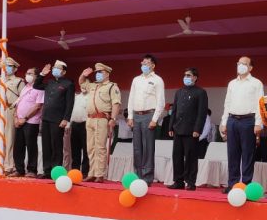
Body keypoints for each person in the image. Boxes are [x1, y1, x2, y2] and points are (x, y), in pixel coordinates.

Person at [220, 56, 264, 193]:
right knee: (232, 153)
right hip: (232, 120)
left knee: (248, 154)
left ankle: (245, 184)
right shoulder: (232, 83)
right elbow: (227, 103)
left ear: (250, 68)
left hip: (248, 120)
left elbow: (260, 104)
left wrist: (258, 123)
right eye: (239, 63)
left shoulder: (256, 83)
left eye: (244, 64)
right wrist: (224, 122)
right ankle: (232, 183)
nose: (240, 66)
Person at [127, 54, 166, 185]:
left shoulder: (158, 80)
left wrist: (155, 119)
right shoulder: (136, 79)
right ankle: (137, 175)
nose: (143, 65)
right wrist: (130, 116)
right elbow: (131, 98)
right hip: (136, 115)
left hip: (149, 114)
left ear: (153, 65)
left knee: (148, 147)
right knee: (137, 147)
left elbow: (161, 101)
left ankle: (147, 177)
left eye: (146, 63)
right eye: (142, 63)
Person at [167, 68, 208, 190]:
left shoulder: (200, 92)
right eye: (185, 75)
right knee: (177, 156)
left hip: (191, 131)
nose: (186, 77)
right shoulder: (179, 92)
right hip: (178, 129)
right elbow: (174, 111)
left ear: (195, 77)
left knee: (191, 157)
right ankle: (178, 181)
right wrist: (171, 126)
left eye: (188, 75)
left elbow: (202, 113)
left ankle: (190, 182)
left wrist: (197, 129)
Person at [79, 63, 121, 183]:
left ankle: (99, 174)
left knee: (100, 147)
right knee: (90, 147)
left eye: (100, 72)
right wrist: (83, 75)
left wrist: (113, 119)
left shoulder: (112, 86)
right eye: (97, 72)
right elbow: (81, 83)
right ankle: (92, 173)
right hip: (90, 119)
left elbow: (116, 103)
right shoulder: (93, 85)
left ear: (107, 74)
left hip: (102, 119)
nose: (97, 74)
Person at [34, 60, 75, 179]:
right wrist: (42, 74)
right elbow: (36, 85)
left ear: (64, 71)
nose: (54, 70)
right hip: (46, 118)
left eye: (58, 68)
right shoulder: (50, 82)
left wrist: (66, 119)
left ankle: (56, 171)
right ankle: (47, 171)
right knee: (46, 145)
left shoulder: (68, 84)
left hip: (58, 119)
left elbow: (70, 103)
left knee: (56, 145)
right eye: (54, 68)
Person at [0, 58, 24, 175]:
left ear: (15, 69)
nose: (7, 68)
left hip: (9, 109)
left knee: (9, 137)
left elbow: (22, 98)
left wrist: (17, 114)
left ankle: (8, 166)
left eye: (10, 66)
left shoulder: (19, 81)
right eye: (5, 65)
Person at [12, 67, 44, 177]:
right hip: (19, 120)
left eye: (30, 73)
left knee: (31, 146)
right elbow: (18, 103)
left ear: (36, 76)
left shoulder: (39, 88)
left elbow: (38, 106)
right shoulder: (25, 87)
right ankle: (19, 169)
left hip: (31, 121)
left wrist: (25, 118)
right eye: (27, 73)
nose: (27, 75)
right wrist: (16, 117)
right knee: (18, 146)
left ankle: (32, 170)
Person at [68, 84, 88, 175]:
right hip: (75, 124)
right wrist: (68, 124)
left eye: (86, 85)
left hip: (86, 125)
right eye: (82, 85)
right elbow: (71, 111)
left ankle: (85, 172)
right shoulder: (76, 97)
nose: (84, 87)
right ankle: (75, 171)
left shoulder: (91, 97)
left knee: (86, 150)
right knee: (75, 150)